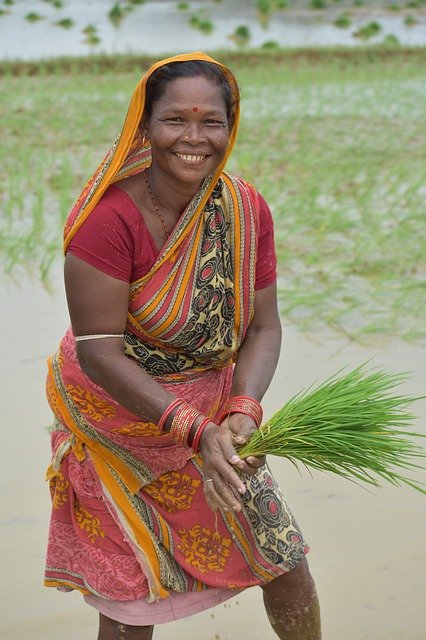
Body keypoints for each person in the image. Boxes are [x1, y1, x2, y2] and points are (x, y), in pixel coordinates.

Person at [45, 52, 321, 640]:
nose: (193, 138)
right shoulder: (109, 220)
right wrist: (198, 430)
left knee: (284, 559)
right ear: (144, 127)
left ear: (231, 126)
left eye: (211, 122)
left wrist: (244, 411)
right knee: (132, 598)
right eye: (175, 120)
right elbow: (99, 352)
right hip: (119, 422)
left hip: (215, 423)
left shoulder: (243, 211)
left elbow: (263, 328)